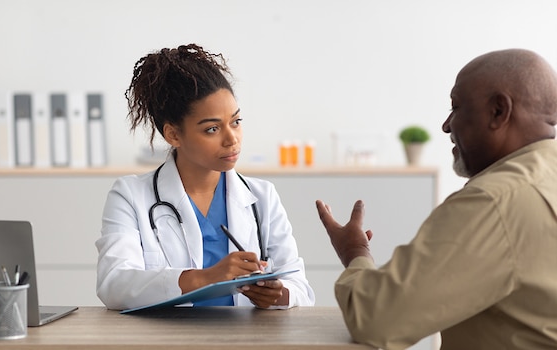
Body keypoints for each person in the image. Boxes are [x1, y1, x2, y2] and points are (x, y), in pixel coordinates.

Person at [316, 48, 557, 350]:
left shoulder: (494, 201)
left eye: (456, 107)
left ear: (499, 111)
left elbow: (376, 318)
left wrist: (355, 251)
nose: (446, 125)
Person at [95, 44, 315, 311]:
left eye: (235, 122)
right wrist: (207, 278)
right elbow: (115, 285)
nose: (231, 138)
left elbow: (301, 290)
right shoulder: (131, 195)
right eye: (212, 129)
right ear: (173, 135)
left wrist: (277, 295)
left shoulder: (262, 196)